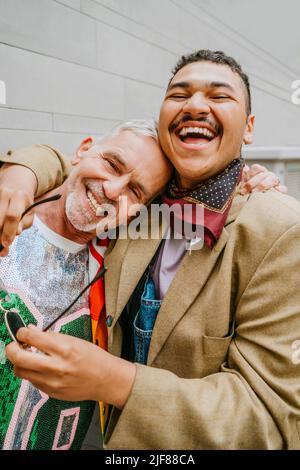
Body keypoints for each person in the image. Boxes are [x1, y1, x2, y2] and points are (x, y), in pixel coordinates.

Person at [3, 50, 300, 450]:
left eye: (219, 96)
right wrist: (21, 172)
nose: (195, 105)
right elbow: (77, 167)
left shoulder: (279, 230)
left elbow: (273, 420)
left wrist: (115, 381)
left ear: (248, 129)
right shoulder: (144, 209)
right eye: (179, 94)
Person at [0, 119, 172, 450]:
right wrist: (21, 171)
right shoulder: (9, 203)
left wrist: (252, 184)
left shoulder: (122, 269)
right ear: (83, 150)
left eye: (134, 191)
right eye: (111, 164)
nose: (112, 190)